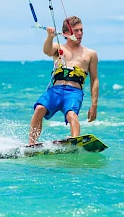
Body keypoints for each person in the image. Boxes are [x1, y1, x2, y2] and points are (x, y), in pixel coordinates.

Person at [29, 15, 99, 145]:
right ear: (66, 33)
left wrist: (94, 106)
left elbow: (94, 80)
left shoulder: (90, 54)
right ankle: (31, 144)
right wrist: (50, 37)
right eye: (76, 31)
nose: (80, 33)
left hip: (74, 92)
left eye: (81, 30)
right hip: (55, 90)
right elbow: (47, 51)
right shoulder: (58, 47)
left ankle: (74, 142)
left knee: (72, 114)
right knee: (39, 108)